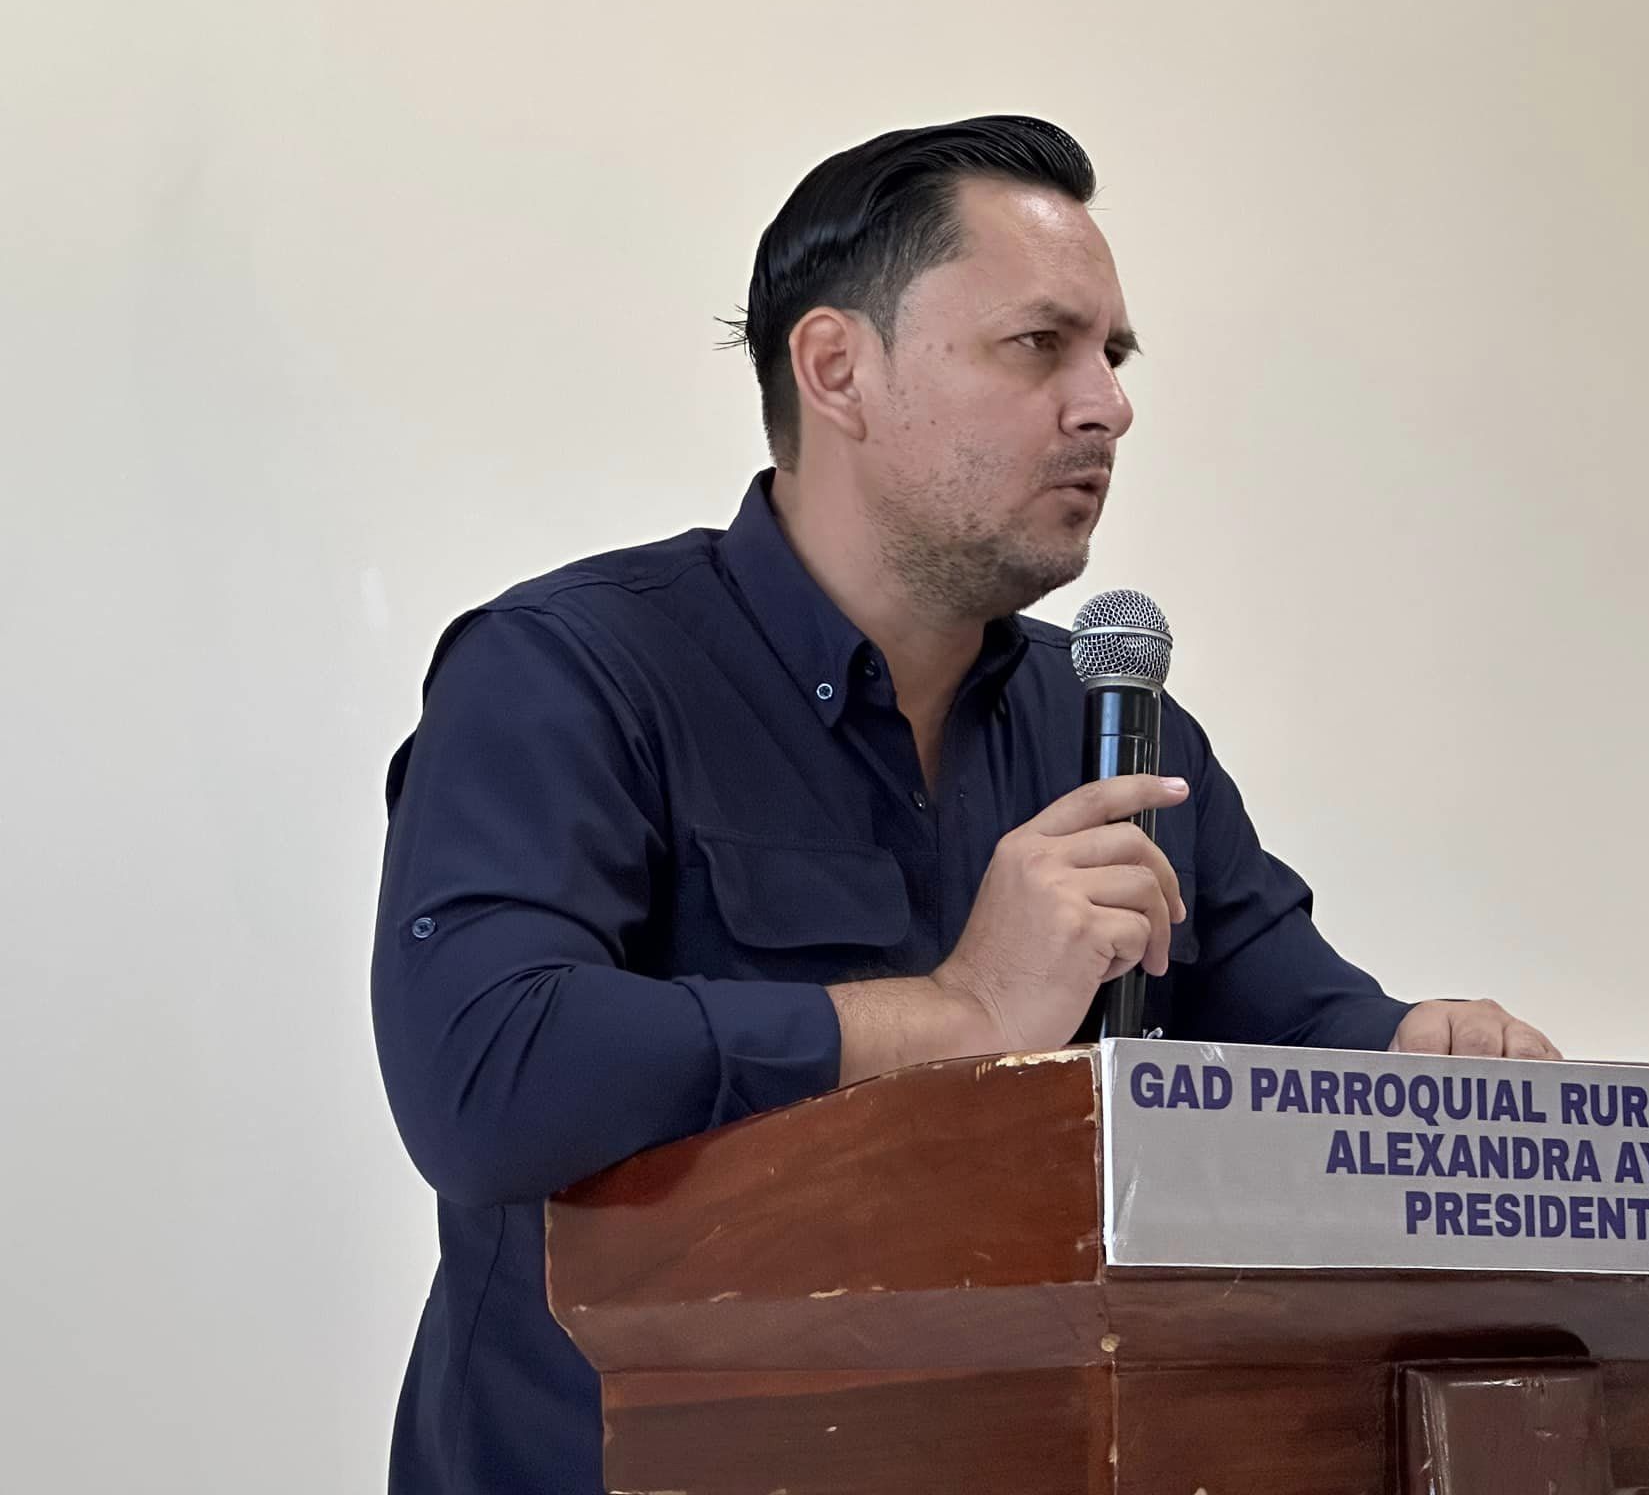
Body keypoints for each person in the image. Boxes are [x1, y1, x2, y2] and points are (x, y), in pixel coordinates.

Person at [370, 113, 1559, 1495]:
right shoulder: (573, 672)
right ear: (838, 369)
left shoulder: (1116, 729)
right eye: (1039, 344)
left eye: (1114, 357)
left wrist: (1427, 1057)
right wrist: (955, 1012)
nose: (1106, 406)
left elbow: (1296, 1024)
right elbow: (487, 1076)